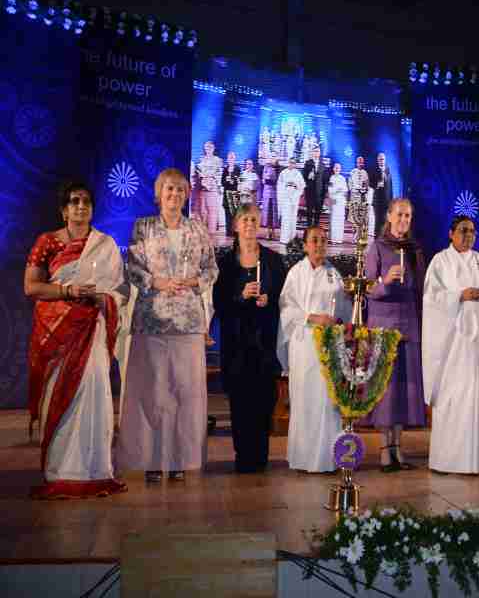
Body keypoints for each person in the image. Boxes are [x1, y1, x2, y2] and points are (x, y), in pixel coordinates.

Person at [24, 181, 128, 499]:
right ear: (64, 210)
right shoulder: (47, 242)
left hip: (92, 327)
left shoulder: (104, 244)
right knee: (58, 394)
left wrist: (101, 298)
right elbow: (31, 286)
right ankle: (60, 470)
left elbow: (118, 290)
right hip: (56, 331)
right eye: (74, 201)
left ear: (92, 209)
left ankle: (94, 470)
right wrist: (68, 291)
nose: (81, 206)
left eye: (86, 201)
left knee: (92, 392)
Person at [117, 168, 219, 483]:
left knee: (185, 395)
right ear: (158, 193)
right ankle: (151, 460)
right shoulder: (143, 227)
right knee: (153, 393)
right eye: (169, 189)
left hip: (188, 323)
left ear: (187, 195)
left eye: (180, 189)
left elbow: (211, 268)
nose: (174, 194)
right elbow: (133, 268)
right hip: (152, 322)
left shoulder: (197, 228)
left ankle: (179, 460)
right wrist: (157, 282)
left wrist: (194, 281)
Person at [423, 216, 479, 474]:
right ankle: (444, 460)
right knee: (450, 399)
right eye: (463, 230)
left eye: (472, 231)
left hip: (474, 346)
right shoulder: (440, 261)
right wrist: (460, 295)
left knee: (471, 401)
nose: (468, 235)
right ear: (451, 233)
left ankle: (469, 461)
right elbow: (431, 298)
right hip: (449, 346)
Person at [214, 204, 286, 473]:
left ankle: (261, 456)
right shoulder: (224, 263)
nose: (249, 225)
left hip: (264, 344)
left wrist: (270, 300)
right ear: (235, 226)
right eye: (244, 220)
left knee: (264, 401)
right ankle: (243, 456)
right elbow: (219, 304)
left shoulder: (273, 261)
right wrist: (240, 296)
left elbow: (285, 298)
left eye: (254, 220)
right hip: (236, 345)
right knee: (240, 402)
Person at [277, 227, 351, 472]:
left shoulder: (334, 275)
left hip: (329, 345)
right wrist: (312, 317)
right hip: (304, 345)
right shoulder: (296, 273)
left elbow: (344, 310)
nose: (319, 244)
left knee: (327, 400)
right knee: (305, 399)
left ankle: (328, 459)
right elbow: (287, 307)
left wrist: (338, 323)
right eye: (314, 240)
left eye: (323, 240)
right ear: (305, 245)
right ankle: (303, 458)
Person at [363, 198, 426, 472]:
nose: (403, 220)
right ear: (388, 216)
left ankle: (398, 447)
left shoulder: (415, 250)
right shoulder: (377, 247)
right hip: (383, 326)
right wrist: (385, 281)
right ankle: (384, 450)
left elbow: (421, 290)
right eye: (399, 214)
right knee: (386, 390)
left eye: (408, 216)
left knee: (404, 389)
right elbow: (367, 289)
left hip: (408, 325)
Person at [194, 140, 223, 238]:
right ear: (204, 149)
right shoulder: (201, 160)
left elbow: (219, 174)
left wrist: (212, 181)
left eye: (210, 147)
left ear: (213, 148)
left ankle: (211, 233)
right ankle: (202, 231)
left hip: (213, 187)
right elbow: (198, 173)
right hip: (202, 187)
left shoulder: (218, 160)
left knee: (212, 210)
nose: (208, 149)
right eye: (207, 147)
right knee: (202, 210)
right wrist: (203, 178)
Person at [277, 159, 306, 244]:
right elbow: (279, 185)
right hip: (286, 198)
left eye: (293, 163)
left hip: (294, 198)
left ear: (295, 164)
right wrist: (286, 186)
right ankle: (284, 239)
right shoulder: (283, 173)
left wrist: (296, 186)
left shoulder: (298, 173)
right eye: (290, 162)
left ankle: (292, 238)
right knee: (285, 218)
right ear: (288, 163)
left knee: (293, 218)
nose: (291, 164)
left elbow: (302, 185)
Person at [349, 156, 374, 238]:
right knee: (353, 217)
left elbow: (367, 185)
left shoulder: (365, 173)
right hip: (354, 197)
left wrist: (364, 189)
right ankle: (354, 234)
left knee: (360, 216)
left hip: (362, 197)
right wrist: (354, 189)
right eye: (359, 162)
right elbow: (350, 184)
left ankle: (359, 234)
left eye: (361, 162)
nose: (360, 164)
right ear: (356, 163)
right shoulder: (352, 172)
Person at [303, 147, 327, 229]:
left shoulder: (322, 165)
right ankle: (309, 228)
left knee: (318, 211)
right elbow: (304, 177)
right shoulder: (308, 163)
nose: (316, 153)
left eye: (318, 151)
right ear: (312, 153)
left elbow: (324, 179)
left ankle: (315, 227)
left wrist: (324, 192)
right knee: (309, 211)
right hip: (310, 191)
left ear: (320, 153)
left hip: (319, 192)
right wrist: (308, 176)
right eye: (315, 151)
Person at [370, 152, 393, 236]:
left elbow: (390, 186)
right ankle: (377, 239)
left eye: (383, 159)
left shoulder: (388, 170)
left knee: (385, 221)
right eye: (380, 159)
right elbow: (370, 184)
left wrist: (391, 201)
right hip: (377, 201)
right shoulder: (374, 170)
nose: (381, 161)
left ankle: (383, 237)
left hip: (386, 201)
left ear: (385, 160)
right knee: (378, 221)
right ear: (377, 160)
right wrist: (377, 184)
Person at [327, 162, 348, 244]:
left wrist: (340, 191)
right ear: (333, 169)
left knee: (340, 220)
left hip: (341, 202)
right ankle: (333, 239)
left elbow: (345, 190)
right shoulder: (331, 178)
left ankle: (339, 239)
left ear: (340, 169)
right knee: (334, 220)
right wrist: (337, 191)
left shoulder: (343, 178)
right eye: (335, 167)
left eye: (338, 168)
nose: (337, 169)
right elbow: (330, 190)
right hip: (334, 201)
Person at [221, 151, 241, 238]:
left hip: (234, 194)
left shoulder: (238, 169)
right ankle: (228, 232)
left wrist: (234, 181)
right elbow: (222, 182)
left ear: (235, 159)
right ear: (227, 159)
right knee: (227, 213)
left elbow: (240, 180)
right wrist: (227, 181)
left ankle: (234, 231)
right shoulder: (225, 169)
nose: (231, 159)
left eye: (232, 157)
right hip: (226, 194)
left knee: (235, 213)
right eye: (229, 157)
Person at [261, 154, 280, 239]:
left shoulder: (278, 168)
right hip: (267, 193)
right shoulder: (266, 167)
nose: (273, 159)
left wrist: (270, 180)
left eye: (274, 157)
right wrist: (269, 180)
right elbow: (264, 180)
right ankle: (268, 232)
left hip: (275, 193)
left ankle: (274, 231)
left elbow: (278, 181)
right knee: (268, 213)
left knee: (274, 214)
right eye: (272, 157)